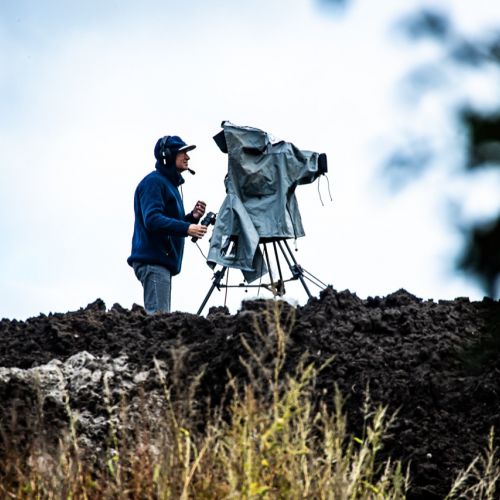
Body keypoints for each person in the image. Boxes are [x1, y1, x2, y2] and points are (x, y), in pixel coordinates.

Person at [127, 135, 207, 314]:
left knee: (161, 319)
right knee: (158, 319)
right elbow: (153, 219)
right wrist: (187, 228)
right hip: (154, 261)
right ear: (168, 156)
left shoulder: (168, 185)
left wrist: (191, 218)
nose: (188, 157)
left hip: (159, 262)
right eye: (183, 152)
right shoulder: (154, 182)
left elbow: (168, 225)